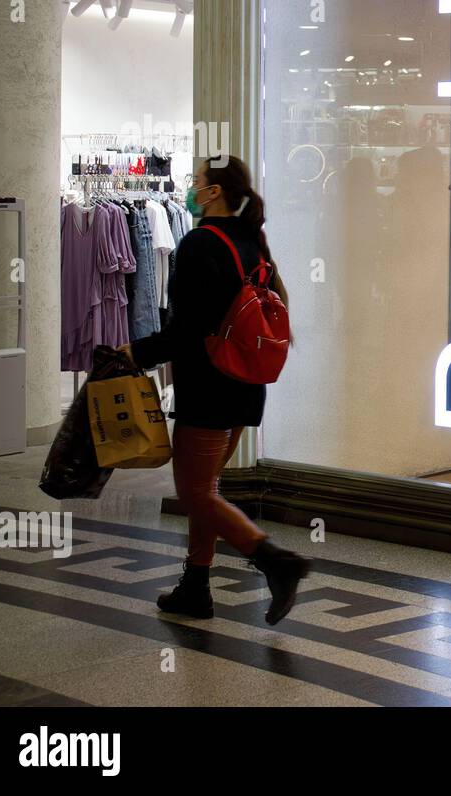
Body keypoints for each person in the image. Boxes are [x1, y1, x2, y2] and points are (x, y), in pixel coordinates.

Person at [121, 156, 310, 625]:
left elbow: (188, 330)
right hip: (246, 384)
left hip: (208, 386)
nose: (191, 187)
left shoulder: (199, 243)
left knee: (194, 492)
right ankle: (195, 586)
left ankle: (275, 561)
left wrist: (134, 353)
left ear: (212, 193)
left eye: (197, 180)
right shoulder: (251, 240)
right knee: (207, 487)